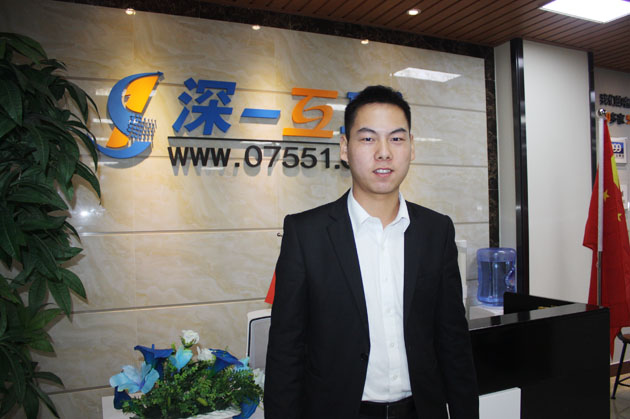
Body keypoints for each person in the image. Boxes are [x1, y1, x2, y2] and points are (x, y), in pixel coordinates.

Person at [264, 85, 479, 419]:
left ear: (412, 146)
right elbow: (285, 351)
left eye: (397, 138)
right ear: (344, 148)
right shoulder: (306, 234)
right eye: (367, 138)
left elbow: (453, 340)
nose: (384, 152)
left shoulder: (436, 231)